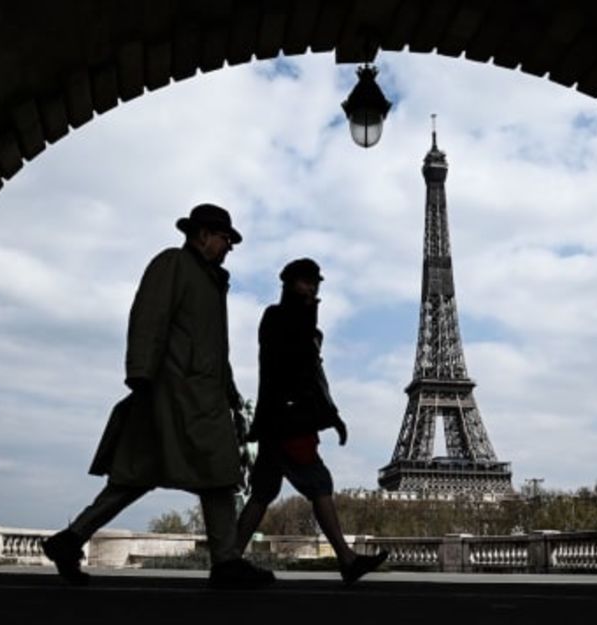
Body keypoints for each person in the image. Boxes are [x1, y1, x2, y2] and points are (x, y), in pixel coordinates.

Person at [42, 203, 274, 589]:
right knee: (210, 473)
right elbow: (148, 317)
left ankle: (71, 539)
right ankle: (226, 561)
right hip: (176, 393)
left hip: (198, 394)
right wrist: (140, 376)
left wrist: (230, 393)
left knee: (152, 475)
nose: (229, 246)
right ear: (202, 235)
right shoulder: (174, 265)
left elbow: (216, 349)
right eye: (224, 237)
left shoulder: (207, 279)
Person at [236, 258, 389, 585]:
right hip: (290, 421)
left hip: (279, 420)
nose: (312, 288)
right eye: (306, 282)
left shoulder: (301, 325)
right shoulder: (281, 319)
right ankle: (346, 559)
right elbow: (296, 365)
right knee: (319, 484)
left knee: (263, 492)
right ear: (289, 284)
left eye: (315, 283)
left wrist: (332, 415)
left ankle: (229, 558)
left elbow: (312, 374)